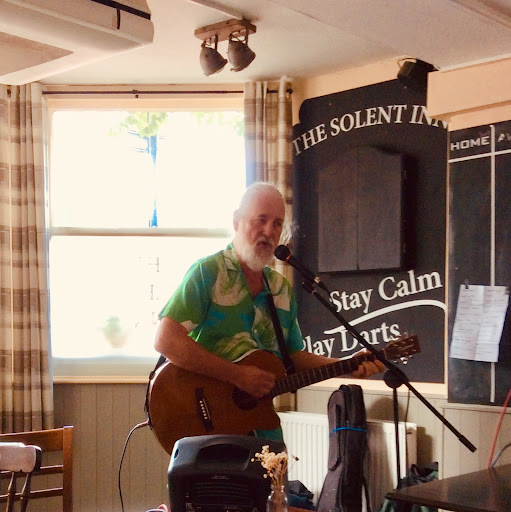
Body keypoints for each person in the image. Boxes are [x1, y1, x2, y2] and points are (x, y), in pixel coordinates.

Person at [154, 182, 385, 441]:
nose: (269, 231)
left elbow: (292, 357)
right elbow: (166, 340)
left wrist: (347, 365)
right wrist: (237, 375)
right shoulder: (207, 273)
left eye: (277, 224)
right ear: (236, 222)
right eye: (261, 220)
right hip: (206, 433)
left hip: (263, 432)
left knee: (277, 470)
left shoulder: (279, 288)